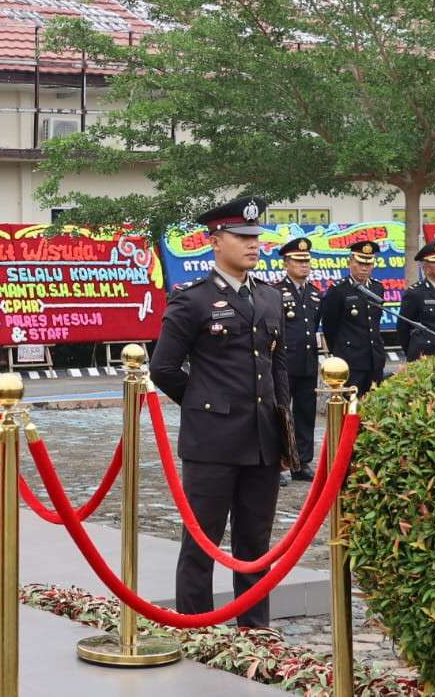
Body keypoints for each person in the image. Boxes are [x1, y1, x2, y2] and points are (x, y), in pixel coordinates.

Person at [150, 196, 290, 628]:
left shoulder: (267, 297)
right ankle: (197, 627)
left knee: (255, 543)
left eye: (256, 237)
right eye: (242, 237)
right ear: (215, 241)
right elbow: (164, 368)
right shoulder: (192, 300)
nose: (253, 245)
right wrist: (204, 403)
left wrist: (284, 433)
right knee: (201, 540)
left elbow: (276, 366)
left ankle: (255, 629)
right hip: (212, 441)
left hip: (262, 441)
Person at [271, 237, 319, 483]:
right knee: (280, 413)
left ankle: (302, 463)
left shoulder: (314, 293)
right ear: (286, 263)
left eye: (307, 261)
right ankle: (278, 463)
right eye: (298, 261)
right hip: (284, 363)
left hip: (308, 362)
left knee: (305, 413)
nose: (304, 265)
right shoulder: (276, 292)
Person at [319, 240, 387, 398]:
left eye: (368, 264)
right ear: (350, 262)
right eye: (360, 263)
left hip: (374, 360)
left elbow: (374, 324)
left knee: (374, 410)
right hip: (351, 361)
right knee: (350, 409)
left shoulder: (377, 288)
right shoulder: (338, 290)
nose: (364, 268)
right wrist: (340, 353)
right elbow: (330, 328)